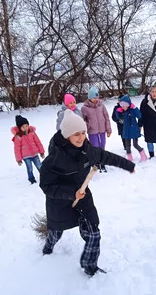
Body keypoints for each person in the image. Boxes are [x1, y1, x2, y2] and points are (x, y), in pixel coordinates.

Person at [39, 109, 135, 277]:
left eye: (83, 132)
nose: (81, 137)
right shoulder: (53, 159)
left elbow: (106, 156)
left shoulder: (87, 150)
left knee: (93, 234)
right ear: (67, 135)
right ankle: (48, 247)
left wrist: (128, 165)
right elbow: (47, 186)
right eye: (76, 134)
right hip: (60, 203)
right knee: (56, 232)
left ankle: (89, 266)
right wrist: (71, 193)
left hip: (83, 199)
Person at [81, 86, 112, 172]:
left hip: (102, 130)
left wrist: (108, 129)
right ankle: (97, 162)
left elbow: (106, 117)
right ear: (89, 98)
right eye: (93, 98)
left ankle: (102, 162)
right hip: (92, 131)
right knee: (95, 147)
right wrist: (87, 125)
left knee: (102, 146)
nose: (96, 99)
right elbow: (82, 120)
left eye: (97, 97)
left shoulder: (101, 106)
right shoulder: (85, 108)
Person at [11, 115, 45, 184]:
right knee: (29, 168)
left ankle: (44, 177)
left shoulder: (32, 133)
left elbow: (38, 142)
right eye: (23, 127)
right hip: (26, 156)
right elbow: (17, 149)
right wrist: (19, 159)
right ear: (19, 128)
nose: (25, 128)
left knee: (40, 166)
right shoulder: (18, 137)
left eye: (26, 126)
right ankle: (31, 179)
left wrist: (41, 152)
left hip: (35, 154)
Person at [115, 95, 148, 162]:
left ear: (128, 104)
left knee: (135, 144)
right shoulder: (123, 112)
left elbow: (139, 116)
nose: (123, 106)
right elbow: (119, 117)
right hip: (126, 131)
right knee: (127, 147)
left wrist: (135, 108)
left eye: (125, 104)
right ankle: (130, 159)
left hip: (134, 130)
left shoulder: (133, 110)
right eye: (122, 104)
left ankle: (143, 156)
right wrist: (118, 111)